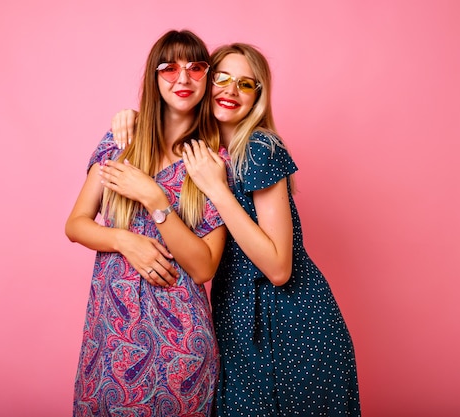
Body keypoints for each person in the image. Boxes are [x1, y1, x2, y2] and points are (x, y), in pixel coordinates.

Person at [112, 43, 361, 416]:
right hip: (235, 322)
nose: (230, 90)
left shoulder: (260, 147)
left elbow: (279, 269)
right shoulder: (202, 150)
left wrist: (216, 188)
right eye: (222, 78)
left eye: (245, 84)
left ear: (257, 98)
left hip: (292, 324)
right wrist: (135, 116)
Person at [65, 30, 229, 416]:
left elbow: (205, 266)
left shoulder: (210, 162)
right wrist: (124, 240)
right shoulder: (122, 142)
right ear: (154, 80)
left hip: (180, 351)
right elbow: (75, 224)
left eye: (196, 67)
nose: (183, 79)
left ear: (207, 77)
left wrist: (157, 201)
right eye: (169, 68)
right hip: (108, 339)